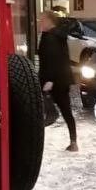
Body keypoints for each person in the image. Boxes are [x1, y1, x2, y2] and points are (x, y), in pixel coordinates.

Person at [38, 10, 78, 152]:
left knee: (41, 111)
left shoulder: (50, 37)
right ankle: (73, 141)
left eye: (42, 20)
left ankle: (36, 143)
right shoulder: (58, 36)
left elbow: (53, 60)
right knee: (66, 111)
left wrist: (49, 80)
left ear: (50, 21)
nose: (40, 22)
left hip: (52, 81)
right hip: (62, 80)